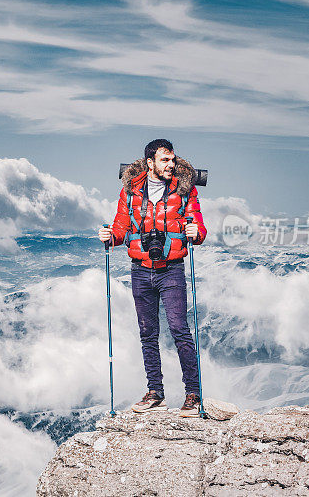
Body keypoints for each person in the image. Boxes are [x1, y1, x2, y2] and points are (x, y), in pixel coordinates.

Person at [98, 139, 207, 416]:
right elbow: (121, 226)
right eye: (164, 160)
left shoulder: (185, 190)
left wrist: (197, 233)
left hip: (171, 269)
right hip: (140, 269)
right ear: (150, 163)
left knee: (180, 330)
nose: (171, 165)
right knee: (148, 333)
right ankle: (155, 392)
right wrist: (111, 237)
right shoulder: (130, 191)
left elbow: (199, 225)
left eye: (172, 160)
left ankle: (193, 394)